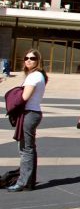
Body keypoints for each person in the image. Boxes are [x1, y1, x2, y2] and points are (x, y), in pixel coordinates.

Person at [8, 49, 48, 192]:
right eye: (26, 58)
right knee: (29, 148)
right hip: (33, 113)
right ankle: (29, 181)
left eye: (32, 58)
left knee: (26, 150)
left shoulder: (34, 76)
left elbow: (24, 97)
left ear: (38, 60)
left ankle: (23, 182)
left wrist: (11, 98)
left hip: (29, 114)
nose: (28, 60)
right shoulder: (39, 75)